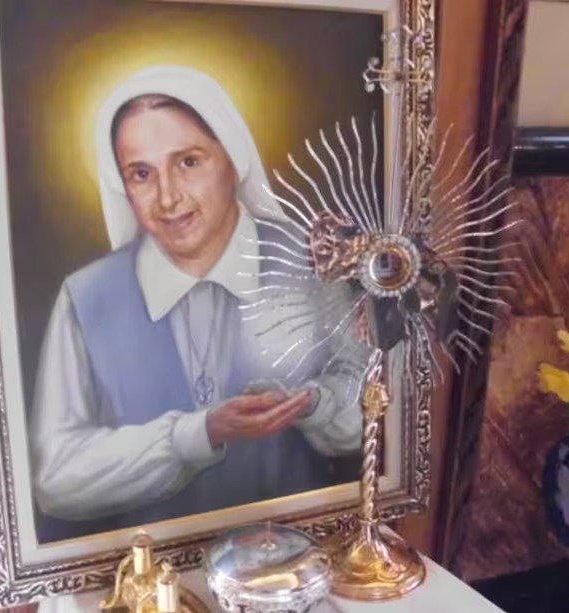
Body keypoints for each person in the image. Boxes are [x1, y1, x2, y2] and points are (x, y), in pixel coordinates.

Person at [29, 65, 363, 541]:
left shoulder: (313, 260)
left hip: (299, 554)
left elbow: (371, 410)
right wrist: (197, 434)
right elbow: (56, 477)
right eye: (141, 174)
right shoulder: (87, 297)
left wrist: (313, 406)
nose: (168, 198)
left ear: (234, 159)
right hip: (150, 570)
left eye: (188, 162)